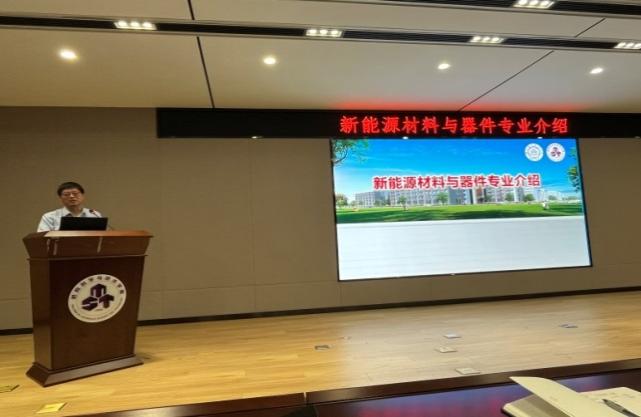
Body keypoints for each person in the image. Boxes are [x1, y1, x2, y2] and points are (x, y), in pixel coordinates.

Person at [37, 182, 102, 232]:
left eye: (75, 193)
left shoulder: (94, 215)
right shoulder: (50, 217)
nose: (71, 196)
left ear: (82, 196)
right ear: (60, 198)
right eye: (66, 194)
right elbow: (42, 239)